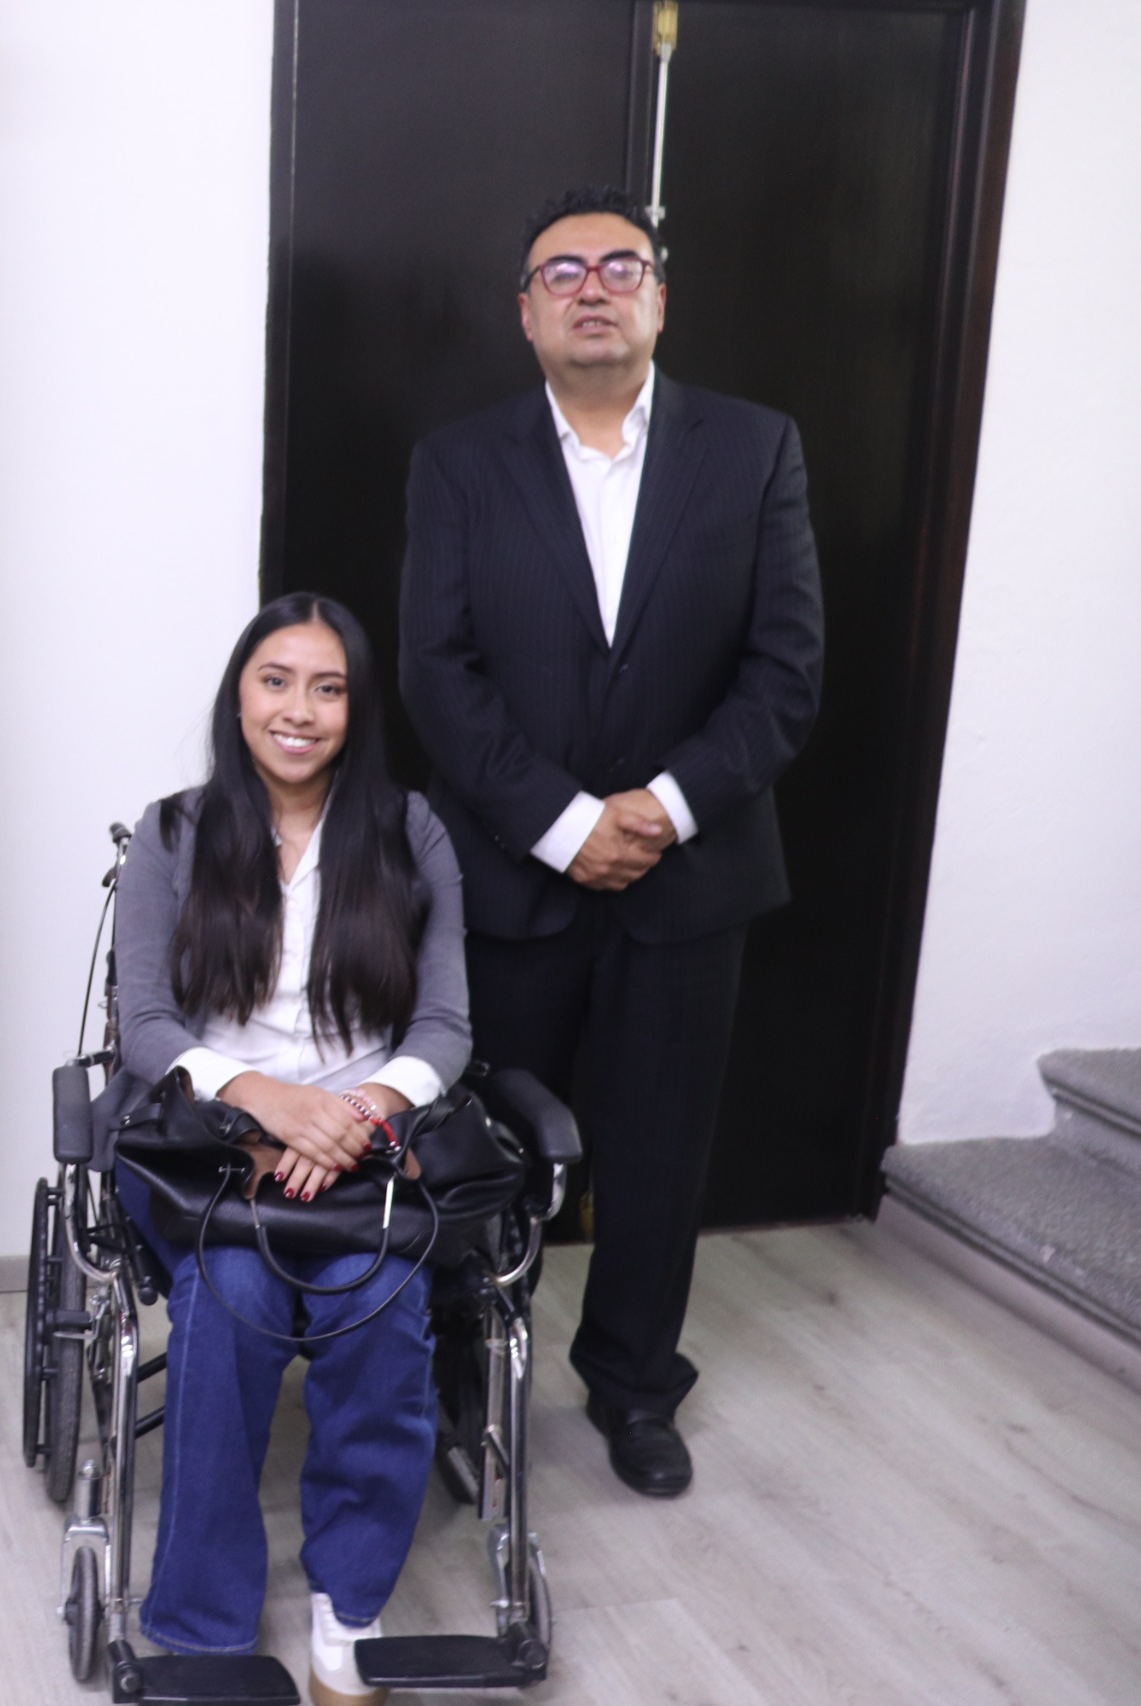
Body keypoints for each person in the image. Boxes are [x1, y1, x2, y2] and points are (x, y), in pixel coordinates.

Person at [399, 185, 822, 1498]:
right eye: (562, 270)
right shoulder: (458, 463)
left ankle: (635, 1384)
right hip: (510, 877)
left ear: (660, 297)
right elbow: (436, 671)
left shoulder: (755, 450)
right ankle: (459, 1382)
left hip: (691, 877)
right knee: (478, 1150)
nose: (592, 287)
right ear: (526, 313)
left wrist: (663, 807)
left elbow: (786, 670)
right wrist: (568, 822)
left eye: (619, 266)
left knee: (658, 1153)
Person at [114, 594, 472, 1706]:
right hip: (214, 1151)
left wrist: (351, 1114)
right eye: (276, 681)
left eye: (328, 688)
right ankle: (206, 1628)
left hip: (362, 1147)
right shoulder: (172, 833)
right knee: (230, 1302)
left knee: (380, 1310)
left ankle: (347, 1610)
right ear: (239, 695)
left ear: (356, 711)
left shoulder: (410, 832)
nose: (299, 710)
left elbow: (445, 1027)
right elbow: (145, 1025)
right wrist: (267, 1102)